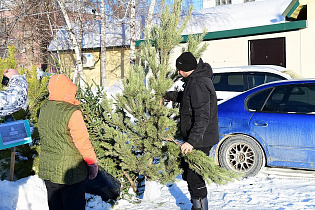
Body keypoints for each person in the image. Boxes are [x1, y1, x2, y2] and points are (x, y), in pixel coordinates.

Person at [164, 52, 219, 210]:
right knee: (190, 174)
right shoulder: (195, 80)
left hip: (201, 139)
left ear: (186, 68)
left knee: (195, 177)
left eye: (179, 69)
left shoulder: (198, 83)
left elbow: (202, 117)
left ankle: (200, 207)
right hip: (199, 137)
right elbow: (187, 98)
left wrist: (191, 142)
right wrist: (169, 95)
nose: (178, 72)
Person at [38, 74, 98, 210]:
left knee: (55, 207)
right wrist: (92, 164)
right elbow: (83, 141)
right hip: (71, 174)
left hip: (49, 170)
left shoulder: (44, 109)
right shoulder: (72, 112)